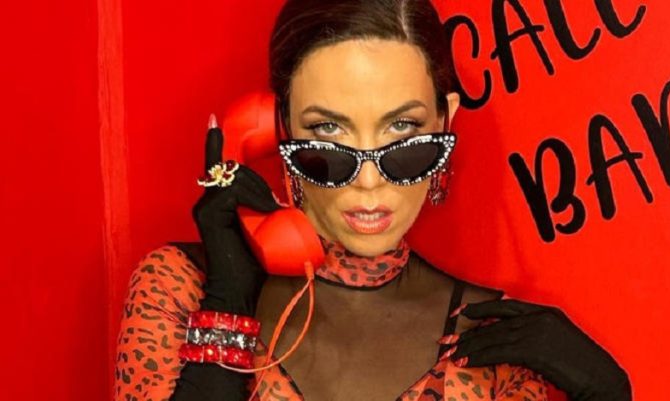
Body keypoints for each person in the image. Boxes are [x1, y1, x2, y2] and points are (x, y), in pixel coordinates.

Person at [113, 0, 632, 400]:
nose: (367, 180)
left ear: (445, 121)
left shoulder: (495, 340)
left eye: (402, 129)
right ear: (277, 128)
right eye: (328, 130)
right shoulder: (181, 287)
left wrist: (608, 393)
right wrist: (228, 304)